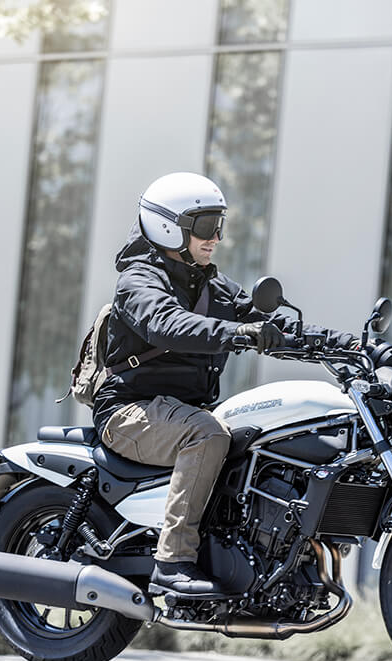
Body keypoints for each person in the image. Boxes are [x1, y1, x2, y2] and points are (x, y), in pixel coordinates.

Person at [92, 172, 352, 596]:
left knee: (261, 439)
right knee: (206, 434)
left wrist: (351, 345)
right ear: (168, 226)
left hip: (185, 411)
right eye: (206, 226)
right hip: (129, 411)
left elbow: (271, 321)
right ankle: (172, 561)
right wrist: (238, 334)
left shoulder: (212, 284)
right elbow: (166, 323)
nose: (216, 238)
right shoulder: (138, 281)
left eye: (219, 226)